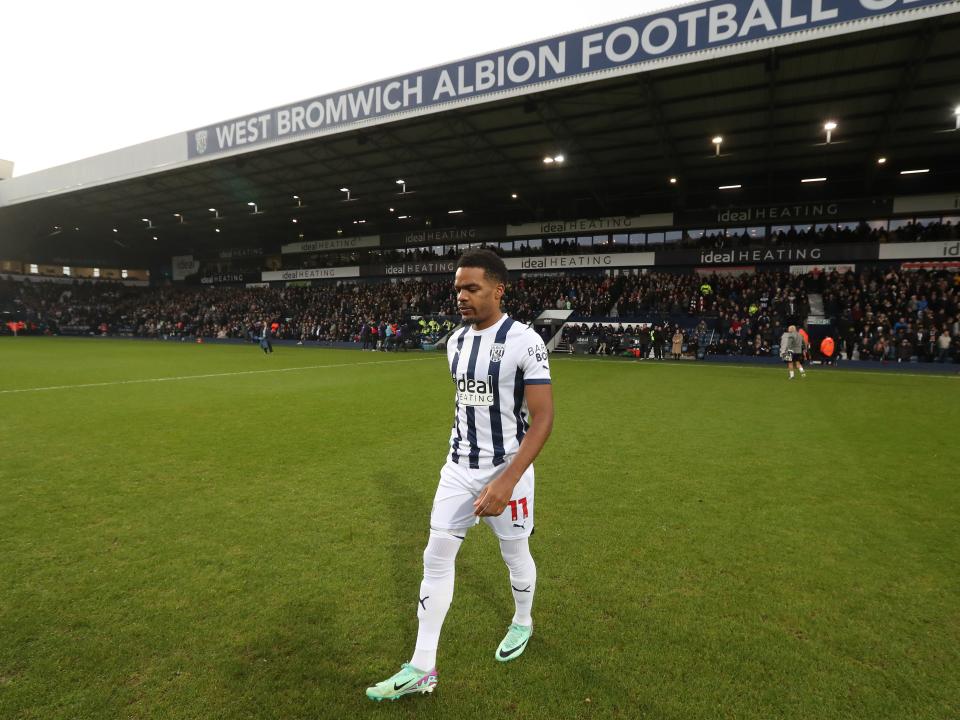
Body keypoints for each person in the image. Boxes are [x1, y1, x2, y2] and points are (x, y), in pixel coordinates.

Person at [366, 248, 554, 702]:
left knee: (514, 554)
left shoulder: (525, 341)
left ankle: (522, 620)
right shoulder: (454, 343)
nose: (462, 297)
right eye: (457, 290)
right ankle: (422, 666)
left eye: (472, 288)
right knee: (435, 557)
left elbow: (543, 419)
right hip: (457, 468)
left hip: (508, 472)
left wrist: (506, 481)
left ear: (498, 289)